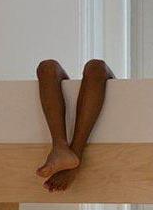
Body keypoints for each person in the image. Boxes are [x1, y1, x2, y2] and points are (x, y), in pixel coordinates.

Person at [35, 59, 114, 192]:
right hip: (61, 143)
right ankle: (60, 147)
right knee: (47, 67)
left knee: (96, 66)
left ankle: (75, 153)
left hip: (100, 73)